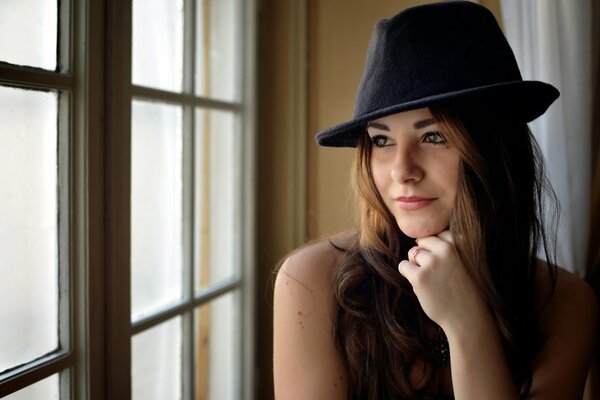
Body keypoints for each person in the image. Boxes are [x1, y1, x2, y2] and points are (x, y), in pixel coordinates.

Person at [272, 1, 598, 399]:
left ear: (494, 150)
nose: (401, 171)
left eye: (433, 136)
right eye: (382, 140)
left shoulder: (564, 302)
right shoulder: (312, 282)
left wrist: (466, 323)